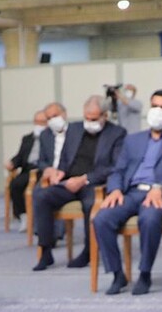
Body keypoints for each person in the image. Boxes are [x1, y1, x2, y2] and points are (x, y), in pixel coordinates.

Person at [92, 89, 162, 294]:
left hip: (158, 195)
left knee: (149, 219)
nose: (158, 111)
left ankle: (145, 273)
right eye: (155, 106)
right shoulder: (133, 139)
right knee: (101, 218)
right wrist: (114, 190)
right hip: (130, 193)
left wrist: (160, 187)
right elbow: (118, 170)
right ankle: (117, 274)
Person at [31, 96, 124, 270]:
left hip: (94, 183)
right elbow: (65, 157)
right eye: (86, 118)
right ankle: (45, 250)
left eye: (94, 119)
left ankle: (88, 251)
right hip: (69, 181)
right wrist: (60, 172)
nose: (89, 122)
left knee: (90, 204)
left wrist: (84, 179)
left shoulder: (117, 133)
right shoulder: (74, 129)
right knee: (41, 196)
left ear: (105, 116)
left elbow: (115, 166)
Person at [4, 108, 49, 223]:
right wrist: (12, 163)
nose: (39, 125)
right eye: (37, 122)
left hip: (43, 170)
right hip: (28, 169)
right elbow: (20, 156)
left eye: (42, 122)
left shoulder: (51, 138)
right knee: (15, 184)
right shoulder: (27, 139)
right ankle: (23, 215)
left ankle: (40, 216)